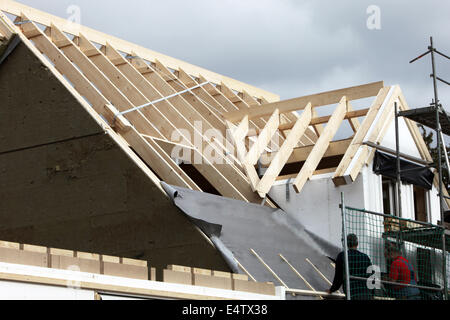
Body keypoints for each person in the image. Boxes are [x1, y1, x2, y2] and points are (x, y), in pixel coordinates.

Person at [327, 234, 374, 300]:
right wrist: (372, 294)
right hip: (366, 294)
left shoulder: (342, 256)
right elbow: (372, 277)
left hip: (352, 294)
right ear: (357, 243)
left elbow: (338, 278)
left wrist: (331, 290)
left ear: (346, 244)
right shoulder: (365, 257)